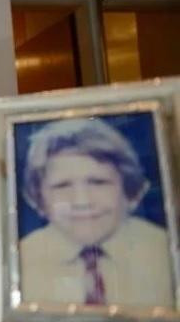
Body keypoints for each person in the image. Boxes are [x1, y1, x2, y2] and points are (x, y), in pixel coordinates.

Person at [19, 118, 173, 308]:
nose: (82, 201)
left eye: (98, 182)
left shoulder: (166, 252)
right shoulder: (20, 262)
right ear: (38, 199)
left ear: (130, 190)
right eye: (62, 185)